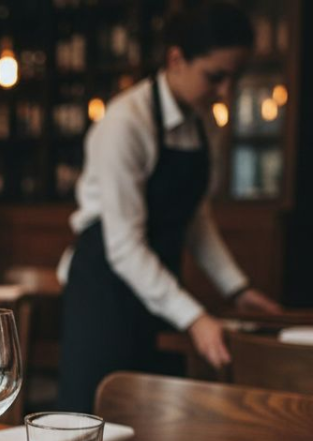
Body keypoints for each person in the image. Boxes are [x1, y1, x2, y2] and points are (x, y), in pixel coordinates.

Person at [58, 1, 280, 413]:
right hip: (104, 289)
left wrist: (238, 287)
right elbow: (124, 246)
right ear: (176, 59)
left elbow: (194, 218)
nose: (226, 93)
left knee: (158, 427)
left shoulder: (203, 123)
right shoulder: (126, 123)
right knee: (92, 427)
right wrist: (194, 318)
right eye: (216, 77)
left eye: (235, 78)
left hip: (159, 290)